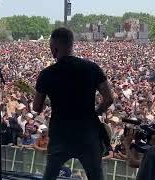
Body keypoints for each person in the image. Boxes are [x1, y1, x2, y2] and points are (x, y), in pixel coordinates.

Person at [33, 28, 114, 180]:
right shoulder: (92, 68)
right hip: (87, 133)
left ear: (54, 47)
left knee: (49, 176)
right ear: (71, 45)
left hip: (60, 134)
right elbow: (109, 98)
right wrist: (96, 112)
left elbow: (36, 107)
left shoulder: (46, 74)